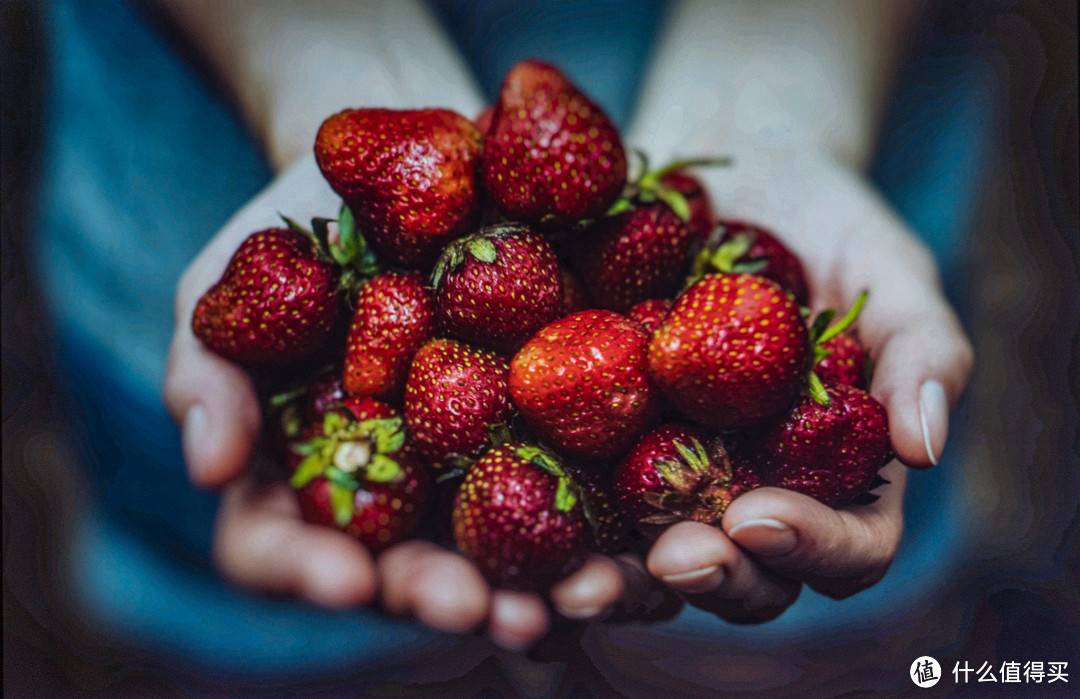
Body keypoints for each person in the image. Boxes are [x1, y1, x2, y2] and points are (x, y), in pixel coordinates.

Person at [37, 0, 975, 690]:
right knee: (270, 652)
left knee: (765, 661)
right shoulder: (437, 324)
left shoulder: (628, 327)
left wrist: (782, 98)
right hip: (182, 160)